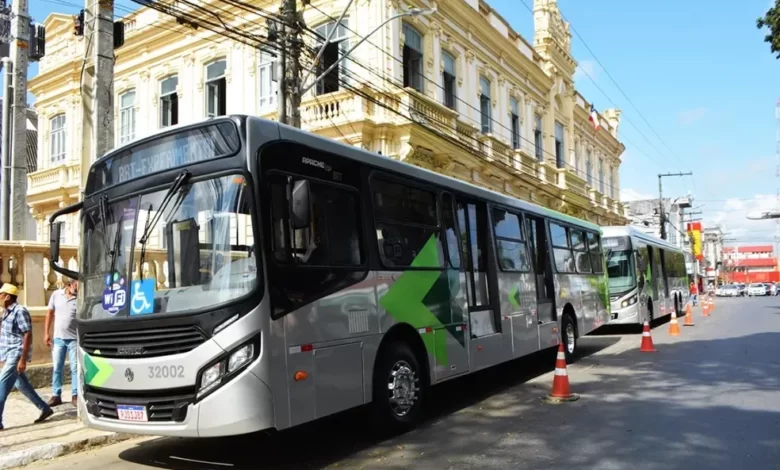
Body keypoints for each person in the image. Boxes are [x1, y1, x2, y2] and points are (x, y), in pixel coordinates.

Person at [0, 283, 53, 430]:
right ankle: (44, 408)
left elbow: (27, 334)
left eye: (1, 295)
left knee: (2, 385)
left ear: (7, 297)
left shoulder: (20, 311)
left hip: (16, 353)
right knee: (21, 385)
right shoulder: (6, 312)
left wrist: (22, 359)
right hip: (8, 352)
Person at [44, 278, 78, 407]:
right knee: (57, 367)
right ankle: (56, 395)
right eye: (77, 285)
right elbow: (50, 313)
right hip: (58, 338)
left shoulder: (79, 298)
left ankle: (75, 395)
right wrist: (46, 333)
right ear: (69, 284)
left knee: (75, 368)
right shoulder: (56, 295)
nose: (78, 288)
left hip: (74, 339)